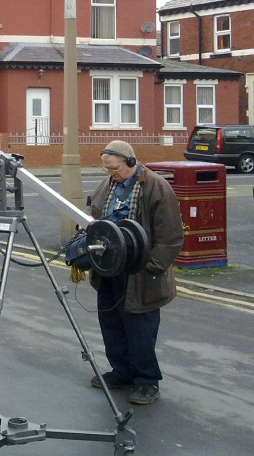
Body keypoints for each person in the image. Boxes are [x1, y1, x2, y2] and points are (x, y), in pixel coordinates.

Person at [86, 140, 183, 405]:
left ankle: (147, 382)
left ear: (131, 162)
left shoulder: (157, 188)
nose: (112, 174)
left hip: (141, 273)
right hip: (110, 268)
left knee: (140, 329)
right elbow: (93, 212)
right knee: (111, 322)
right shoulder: (109, 185)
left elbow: (171, 237)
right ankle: (122, 373)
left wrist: (150, 266)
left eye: (115, 169)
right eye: (108, 170)